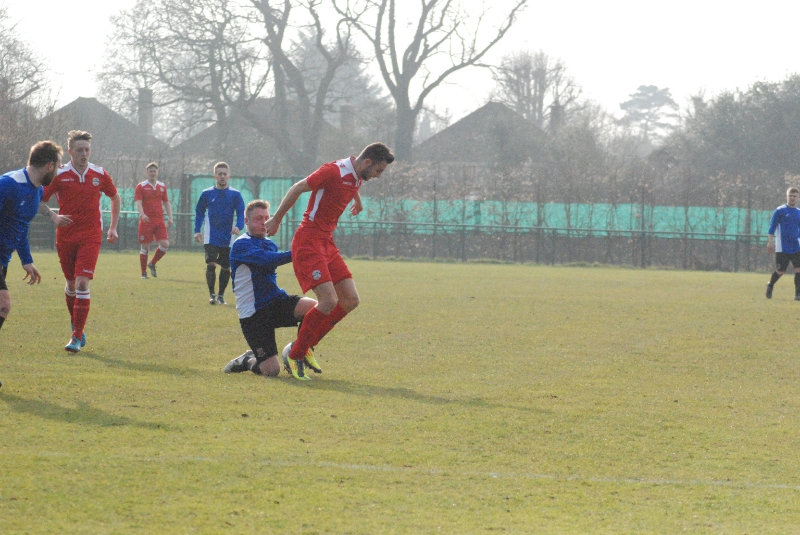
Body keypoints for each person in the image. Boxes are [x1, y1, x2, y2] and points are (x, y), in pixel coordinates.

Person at [264, 142, 394, 380]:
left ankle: (304, 346)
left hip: (326, 242)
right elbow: (297, 188)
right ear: (367, 162)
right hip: (309, 241)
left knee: (350, 300)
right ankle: (295, 354)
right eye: (378, 170)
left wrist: (357, 200)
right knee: (328, 301)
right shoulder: (332, 171)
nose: (378, 176)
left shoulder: (358, 174)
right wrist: (276, 219)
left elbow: (352, 183)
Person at [41, 130, 121, 353]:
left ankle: (76, 336)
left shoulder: (99, 173)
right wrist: (54, 217)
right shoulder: (59, 174)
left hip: (91, 236)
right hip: (66, 237)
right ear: (70, 152)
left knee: (82, 283)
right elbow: (39, 200)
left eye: (87, 149)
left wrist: (113, 227)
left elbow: (115, 197)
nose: (84, 154)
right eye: (79, 150)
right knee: (70, 285)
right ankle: (77, 323)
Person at [223, 199, 319, 378]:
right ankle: (247, 360)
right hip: (253, 314)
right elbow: (268, 260)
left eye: (267, 218)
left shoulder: (269, 243)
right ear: (246, 221)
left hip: (275, 302)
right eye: (258, 218)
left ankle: (297, 351)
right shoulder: (241, 244)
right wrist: (299, 252)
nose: (264, 222)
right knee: (271, 370)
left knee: (317, 309)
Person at [0, 141, 64, 386]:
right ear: (49, 166)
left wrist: (26, 260)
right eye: (57, 167)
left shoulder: (36, 191)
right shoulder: (8, 184)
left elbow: (21, 227)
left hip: (3, 259)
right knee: (3, 304)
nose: (57, 172)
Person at [194, 162, 245, 305]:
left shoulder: (235, 194)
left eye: (224, 174)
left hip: (228, 236)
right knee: (211, 263)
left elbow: (241, 212)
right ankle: (212, 295)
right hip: (211, 235)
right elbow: (199, 212)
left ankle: (221, 296)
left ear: (228, 176)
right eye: (219, 174)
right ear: (214, 176)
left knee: (226, 266)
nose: (222, 176)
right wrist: (197, 230)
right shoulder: (206, 193)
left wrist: (238, 226)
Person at [135, 162, 173, 278]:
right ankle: (143, 273)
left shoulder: (162, 186)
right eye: (150, 171)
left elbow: (166, 202)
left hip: (159, 220)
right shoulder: (141, 186)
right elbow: (138, 202)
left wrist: (170, 217)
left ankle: (152, 263)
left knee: (165, 244)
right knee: (145, 247)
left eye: (154, 171)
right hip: (146, 221)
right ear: (147, 173)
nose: (153, 173)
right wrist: (142, 214)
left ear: (157, 172)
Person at [766, 186, 800, 300]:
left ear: (798, 198)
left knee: (798, 269)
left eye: (794, 196)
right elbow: (772, 226)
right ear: (787, 197)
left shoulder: (799, 212)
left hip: (796, 246)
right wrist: (770, 242)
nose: (792, 198)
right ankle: (770, 284)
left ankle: (797, 294)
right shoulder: (780, 210)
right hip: (782, 247)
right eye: (790, 196)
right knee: (780, 271)